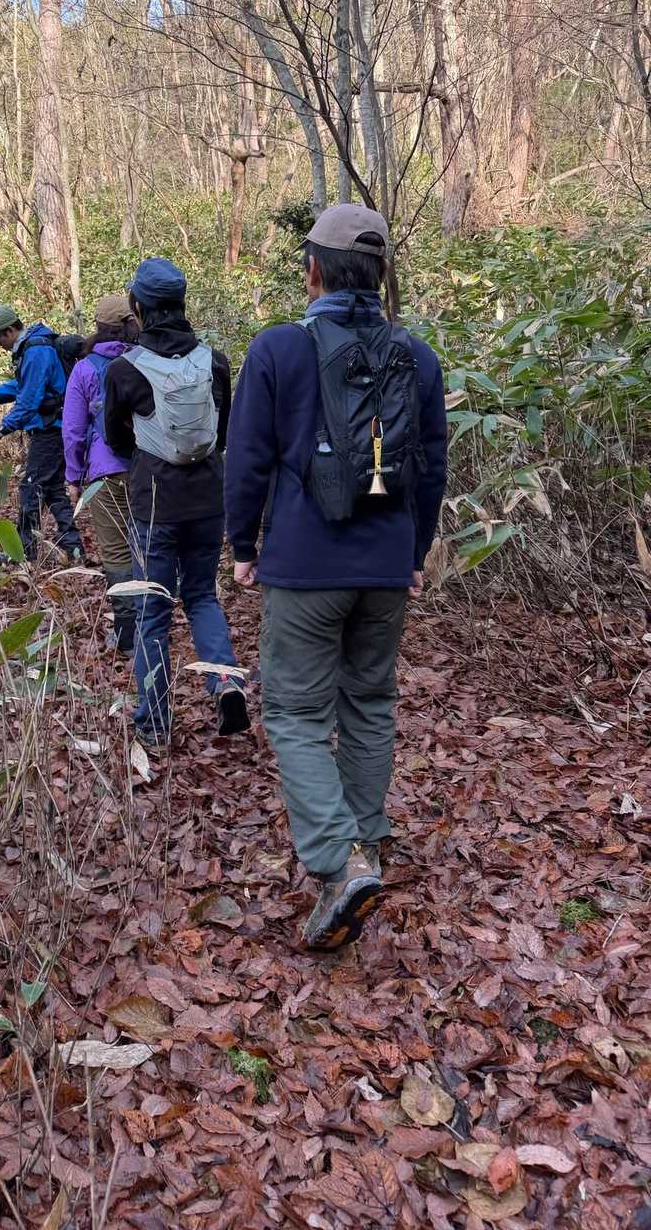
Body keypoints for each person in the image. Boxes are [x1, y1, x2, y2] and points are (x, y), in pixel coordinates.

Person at [225, 204, 447, 952]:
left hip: (304, 564)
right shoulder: (416, 357)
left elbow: (247, 456)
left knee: (294, 712)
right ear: (380, 276)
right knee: (370, 702)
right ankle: (368, 846)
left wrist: (243, 544)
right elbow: (431, 467)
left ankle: (338, 863)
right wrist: (413, 553)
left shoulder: (278, 349)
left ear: (313, 270)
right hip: (385, 565)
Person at [104, 257, 249, 746]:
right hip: (208, 497)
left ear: (138, 307)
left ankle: (154, 722)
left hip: (154, 502)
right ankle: (225, 682)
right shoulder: (215, 361)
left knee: (152, 612)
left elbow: (115, 440)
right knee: (202, 596)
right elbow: (222, 434)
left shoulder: (124, 370)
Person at [0, 305, 83, 564]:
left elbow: (29, 399)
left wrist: (1, 429)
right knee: (52, 490)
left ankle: (23, 552)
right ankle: (74, 549)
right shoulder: (34, 347)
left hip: (50, 430)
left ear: (9, 331)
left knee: (30, 488)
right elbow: (23, 385)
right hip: (56, 426)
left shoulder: (36, 350)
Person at [62, 294, 139, 654]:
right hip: (148, 468)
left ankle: (127, 633)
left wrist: (74, 477)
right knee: (146, 545)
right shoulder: (144, 359)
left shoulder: (84, 369)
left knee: (117, 552)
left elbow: (73, 431)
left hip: (105, 473)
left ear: (98, 327)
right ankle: (153, 624)